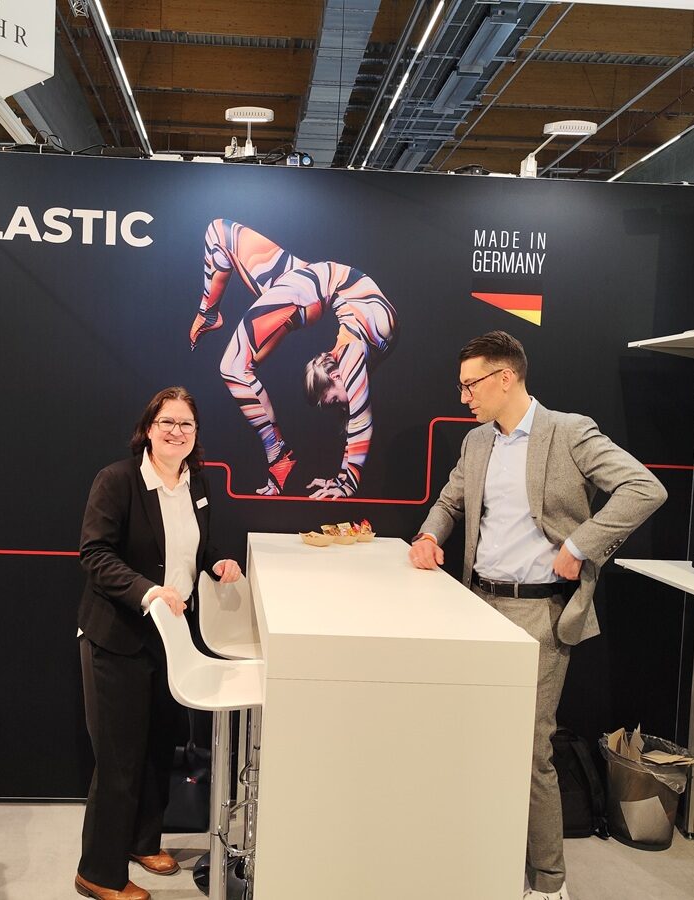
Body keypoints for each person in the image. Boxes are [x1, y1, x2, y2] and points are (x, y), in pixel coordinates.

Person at [408, 331, 666, 900]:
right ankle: (478, 858)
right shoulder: (477, 442)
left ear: (506, 378)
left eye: (471, 385)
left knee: (528, 751)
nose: (464, 397)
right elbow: (450, 501)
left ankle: (549, 884)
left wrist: (581, 545)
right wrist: (428, 536)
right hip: (476, 607)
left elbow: (644, 489)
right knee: (472, 741)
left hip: (540, 614)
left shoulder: (569, 432)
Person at [75, 386, 243, 900]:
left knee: (156, 748)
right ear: (148, 429)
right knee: (119, 759)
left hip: (172, 641)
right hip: (117, 637)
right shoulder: (117, 481)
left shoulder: (197, 482)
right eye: (167, 422)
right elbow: (95, 554)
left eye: (186, 424)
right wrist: (147, 591)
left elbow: (193, 547)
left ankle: (143, 842)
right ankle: (98, 873)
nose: (176, 432)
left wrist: (216, 562)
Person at [189, 218, 398, 498]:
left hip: (314, 280)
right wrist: (346, 485)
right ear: (335, 375)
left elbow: (355, 421)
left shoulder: (351, 353)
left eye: (334, 401)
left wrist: (342, 479)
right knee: (232, 367)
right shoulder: (351, 353)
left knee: (219, 233)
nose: (341, 404)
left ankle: (208, 312)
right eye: (334, 400)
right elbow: (361, 421)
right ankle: (279, 455)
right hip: (308, 286)